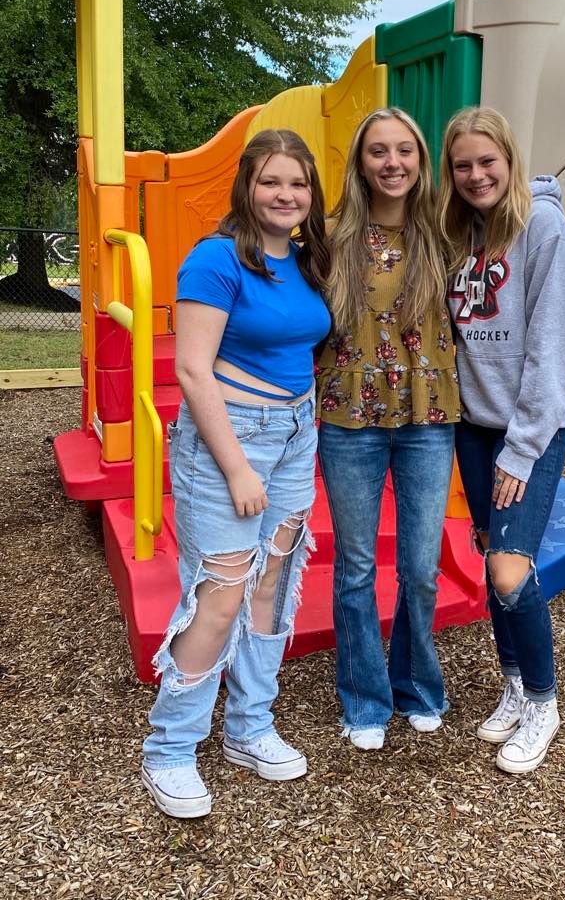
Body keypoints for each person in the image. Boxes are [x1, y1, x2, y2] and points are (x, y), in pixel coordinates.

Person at [141, 129, 331, 818]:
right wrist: (235, 469)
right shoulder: (215, 259)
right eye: (271, 181)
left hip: (293, 430)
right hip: (230, 440)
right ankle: (169, 748)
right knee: (220, 592)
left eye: (298, 184)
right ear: (246, 187)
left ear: (311, 195)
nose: (285, 195)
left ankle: (250, 728)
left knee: (273, 584)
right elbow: (193, 369)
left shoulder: (308, 261)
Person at [438, 106, 565, 775]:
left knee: (509, 567)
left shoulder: (543, 226)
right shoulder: (457, 231)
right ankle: (515, 683)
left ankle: (544, 702)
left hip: (531, 428)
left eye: (486, 162)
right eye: (463, 165)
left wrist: (523, 448)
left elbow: (554, 350)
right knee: (489, 557)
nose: (475, 175)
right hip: (474, 425)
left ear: (509, 161)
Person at [316, 107, 461, 750]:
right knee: (353, 565)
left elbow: (513, 227)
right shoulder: (329, 237)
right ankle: (365, 696)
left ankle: (418, 685)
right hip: (350, 418)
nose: (393, 162)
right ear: (361, 161)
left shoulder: (446, 234)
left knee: (421, 567)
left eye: (405, 150)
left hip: (429, 417)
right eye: (379, 151)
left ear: (421, 160)